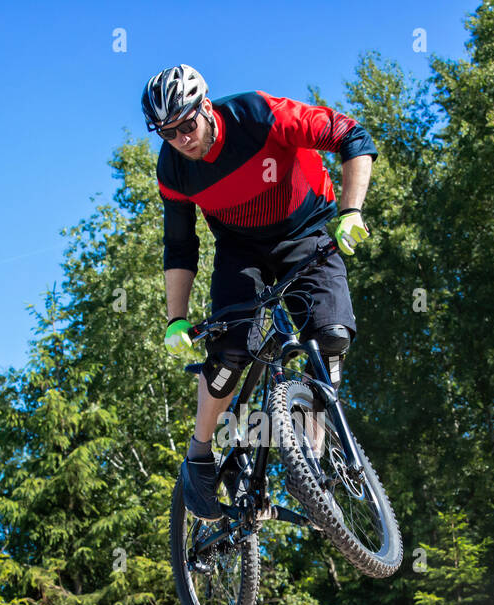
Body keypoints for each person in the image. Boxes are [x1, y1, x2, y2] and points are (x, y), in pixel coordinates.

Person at [141, 64, 377, 520]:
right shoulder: (173, 168)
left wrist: (351, 211)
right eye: (168, 133)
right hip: (240, 251)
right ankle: (199, 454)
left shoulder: (259, 114)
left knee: (331, 337)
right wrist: (176, 319)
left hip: (304, 231)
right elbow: (180, 245)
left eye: (187, 125)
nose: (182, 139)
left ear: (205, 108)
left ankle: (309, 461)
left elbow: (352, 135)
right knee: (230, 352)